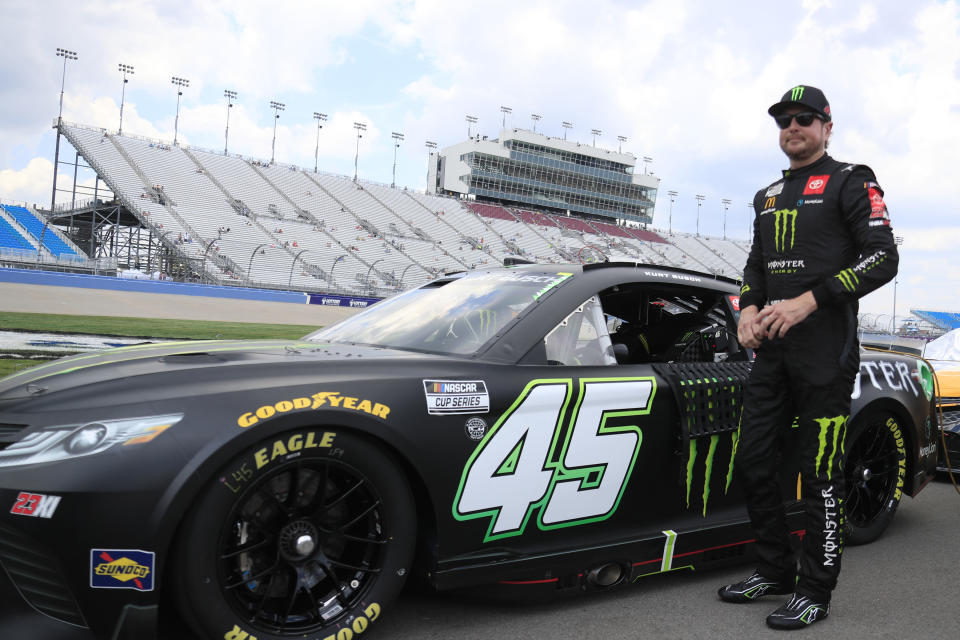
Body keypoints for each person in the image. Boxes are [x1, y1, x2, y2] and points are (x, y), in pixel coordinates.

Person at [718, 85, 898, 629]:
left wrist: (808, 301)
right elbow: (756, 266)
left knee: (820, 471)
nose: (792, 128)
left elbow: (883, 259)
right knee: (753, 460)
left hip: (826, 354)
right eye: (783, 121)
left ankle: (816, 588)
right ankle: (773, 569)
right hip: (772, 352)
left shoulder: (852, 180)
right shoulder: (767, 194)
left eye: (803, 119)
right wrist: (747, 309)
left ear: (826, 126)